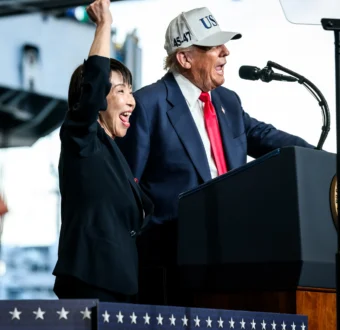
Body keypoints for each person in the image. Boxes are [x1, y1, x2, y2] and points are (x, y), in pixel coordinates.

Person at [116, 6, 314, 306]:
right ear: (184, 58)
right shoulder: (148, 103)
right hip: (172, 264)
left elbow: (264, 137)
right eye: (213, 46)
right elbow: (126, 190)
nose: (225, 52)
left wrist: (318, 156)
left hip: (232, 253)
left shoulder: (228, 101)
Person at [52, 0, 153, 303]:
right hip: (91, 284)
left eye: (130, 91)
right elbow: (93, 85)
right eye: (120, 91)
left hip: (123, 288)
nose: (131, 101)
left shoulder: (113, 153)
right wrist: (104, 26)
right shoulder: (80, 136)